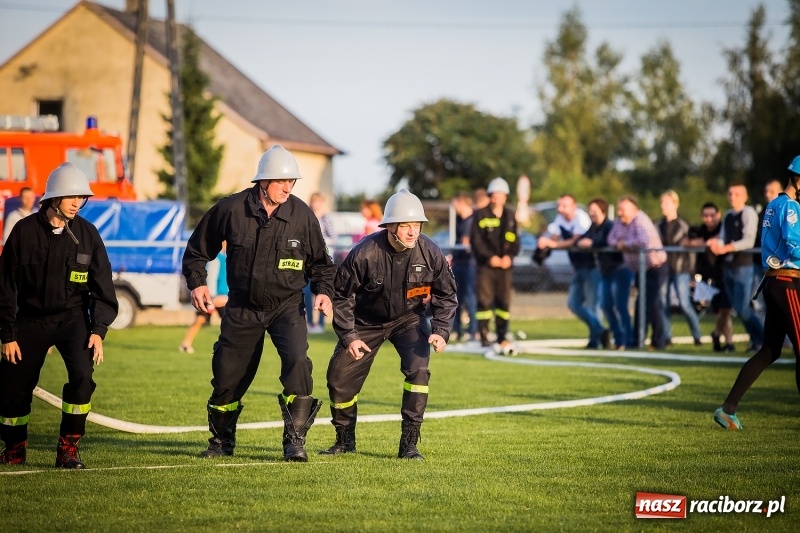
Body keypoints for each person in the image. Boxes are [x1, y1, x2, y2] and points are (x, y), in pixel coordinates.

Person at [182, 145, 336, 462]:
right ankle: (221, 442)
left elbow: (321, 265)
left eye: (292, 181)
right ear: (263, 181)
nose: (288, 187)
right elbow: (197, 251)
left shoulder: (302, 215)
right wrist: (197, 283)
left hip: (287, 307)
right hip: (242, 307)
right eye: (281, 181)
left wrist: (323, 291)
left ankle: (295, 442)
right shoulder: (231, 210)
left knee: (297, 364)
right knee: (227, 376)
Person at [320, 189, 457, 460]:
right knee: (338, 379)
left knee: (418, 371)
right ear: (390, 226)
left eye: (416, 225)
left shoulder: (430, 251)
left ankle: (409, 445)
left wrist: (441, 330)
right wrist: (349, 336)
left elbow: (446, 294)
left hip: (409, 320)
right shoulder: (364, 252)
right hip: (365, 322)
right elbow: (342, 295)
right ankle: (344, 441)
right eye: (405, 225)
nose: (412, 232)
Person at [0, 163, 118, 467]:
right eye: (72, 197)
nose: (78, 203)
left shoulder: (88, 235)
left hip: (73, 320)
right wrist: (8, 335)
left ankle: (68, 449)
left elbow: (103, 287)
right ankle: (14, 449)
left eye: (82, 198)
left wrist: (98, 330)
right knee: (13, 387)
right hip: (28, 321)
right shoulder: (23, 232)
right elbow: (6, 287)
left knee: (82, 377)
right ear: (53, 198)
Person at [714, 156, 800, 430]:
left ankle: (728, 409)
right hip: (787, 282)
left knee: (769, 351)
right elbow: (793, 243)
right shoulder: (791, 206)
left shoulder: (774, 205)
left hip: (774, 283)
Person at [538, 194, 608, 349]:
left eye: (564, 205)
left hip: (592, 267)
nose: (560, 209)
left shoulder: (581, 219)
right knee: (573, 304)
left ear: (574, 206)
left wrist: (553, 245)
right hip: (578, 267)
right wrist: (545, 243)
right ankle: (601, 331)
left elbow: (575, 240)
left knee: (592, 305)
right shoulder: (560, 219)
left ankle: (595, 340)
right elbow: (555, 237)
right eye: (559, 206)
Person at [607, 195, 668, 349]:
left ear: (633, 209)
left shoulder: (640, 220)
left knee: (651, 303)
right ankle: (643, 339)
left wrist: (624, 245)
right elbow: (611, 239)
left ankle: (656, 340)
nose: (620, 212)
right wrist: (621, 244)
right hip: (640, 270)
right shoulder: (620, 223)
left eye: (623, 209)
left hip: (655, 267)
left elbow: (642, 241)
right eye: (619, 209)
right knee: (644, 304)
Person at [708, 184, 764, 352]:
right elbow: (723, 237)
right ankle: (757, 342)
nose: (732, 197)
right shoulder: (728, 215)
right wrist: (716, 244)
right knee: (739, 310)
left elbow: (748, 240)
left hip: (743, 266)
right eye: (730, 193)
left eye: (737, 194)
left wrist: (726, 248)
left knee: (743, 309)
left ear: (745, 197)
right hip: (729, 267)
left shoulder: (748, 213)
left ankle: (766, 341)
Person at [470, 177, 520, 352]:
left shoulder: (510, 216)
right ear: (491, 196)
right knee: (484, 301)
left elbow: (515, 241)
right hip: (486, 267)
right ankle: (483, 335)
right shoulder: (480, 214)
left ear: (506, 196)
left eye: (502, 195)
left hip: (505, 268)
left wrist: (509, 257)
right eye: (495, 194)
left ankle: (502, 335)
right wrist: (490, 257)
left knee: (504, 302)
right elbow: (476, 242)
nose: (499, 198)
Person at [577, 198, 632, 350]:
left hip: (620, 270)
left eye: (594, 210)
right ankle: (618, 337)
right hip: (606, 271)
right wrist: (581, 242)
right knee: (606, 306)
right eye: (590, 211)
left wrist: (592, 244)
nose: (591, 213)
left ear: (602, 211)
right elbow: (583, 238)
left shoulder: (610, 226)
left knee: (621, 307)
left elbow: (609, 241)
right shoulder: (593, 227)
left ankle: (628, 339)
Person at [657, 190, 703, 345]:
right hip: (663, 269)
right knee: (663, 303)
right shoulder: (658, 225)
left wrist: (692, 273)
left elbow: (691, 249)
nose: (663, 206)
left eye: (666, 203)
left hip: (680, 270)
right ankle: (667, 336)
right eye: (662, 203)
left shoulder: (683, 225)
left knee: (684, 303)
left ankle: (697, 335)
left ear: (675, 204)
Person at [688, 202, 735, 352]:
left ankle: (718, 335)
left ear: (718, 215)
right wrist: (704, 243)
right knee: (720, 310)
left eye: (712, 215)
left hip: (724, 272)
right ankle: (728, 342)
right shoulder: (699, 230)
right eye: (705, 215)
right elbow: (686, 242)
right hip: (707, 275)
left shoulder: (724, 229)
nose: (709, 219)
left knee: (725, 308)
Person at [179, 247, 229, 353]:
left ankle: (186, 343)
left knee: (201, 319)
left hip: (222, 295)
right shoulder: (216, 258)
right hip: (217, 296)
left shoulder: (224, 257)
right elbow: (211, 277)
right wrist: (211, 298)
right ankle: (186, 343)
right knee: (228, 320)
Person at [304, 192, 337, 334]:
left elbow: (333, 237)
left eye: (318, 201)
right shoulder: (305, 217)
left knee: (323, 293)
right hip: (307, 262)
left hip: (323, 262)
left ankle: (321, 324)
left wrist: (320, 244)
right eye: (313, 201)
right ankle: (310, 323)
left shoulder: (326, 219)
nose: (315, 204)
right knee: (306, 293)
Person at [752, 179, 783, 322]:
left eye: (771, 191)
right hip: (759, 264)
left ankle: (788, 340)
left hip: (778, 267)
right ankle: (763, 338)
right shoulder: (761, 213)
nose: (767, 194)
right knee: (759, 304)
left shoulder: (786, 211)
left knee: (779, 303)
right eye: (766, 191)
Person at [450, 191, 477, 342]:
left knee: (469, 297)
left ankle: (473, 330)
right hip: (458, 263)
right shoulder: (459, 220)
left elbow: (466, 243)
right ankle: (457, 329)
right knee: (456, 298)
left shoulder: (471, 220)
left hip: (468, 263)